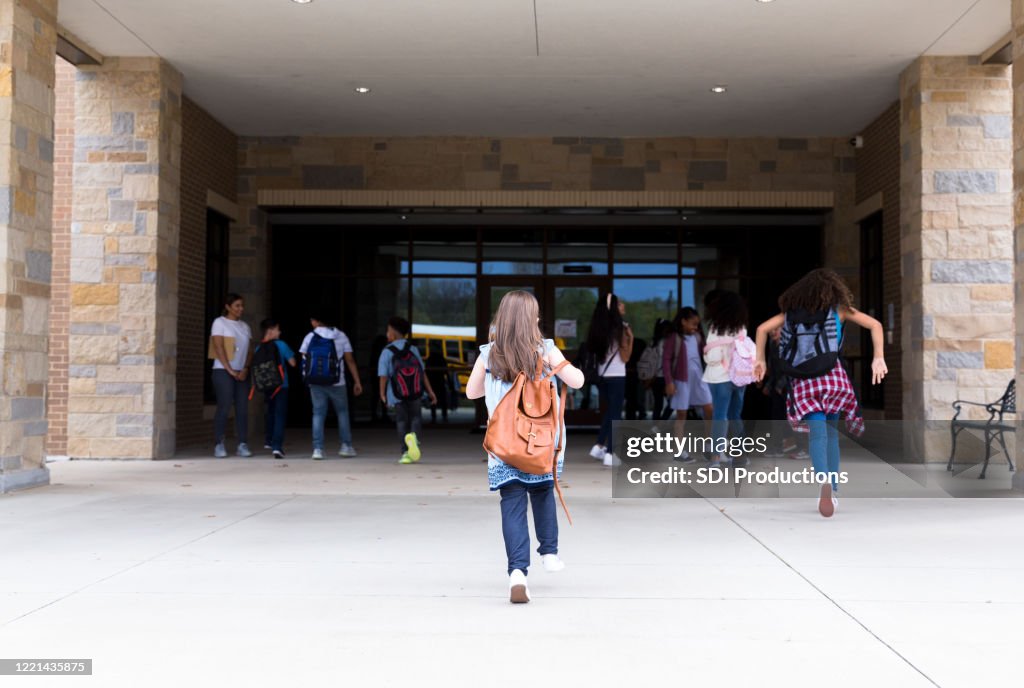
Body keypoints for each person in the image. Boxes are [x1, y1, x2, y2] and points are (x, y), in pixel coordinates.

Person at [465, 290, 585, 604]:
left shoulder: (488, 353)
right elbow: (578, 381)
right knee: (543, 491)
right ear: (531, 319)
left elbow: (471, 393)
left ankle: (517, 573)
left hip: (504, 445)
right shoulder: (545, 349)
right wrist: (553, 364)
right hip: (542, 443)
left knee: (512, 504)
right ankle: (549, 552)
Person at [753, 268, 887, 518]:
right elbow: (875, 325)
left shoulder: (791, 314)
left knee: (817, 433)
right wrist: (878, 357)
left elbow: (762, 329)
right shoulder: (839, 310)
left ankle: (822, 479)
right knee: (832, 435)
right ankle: (832, 490)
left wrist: (760, 360)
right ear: (833, 290)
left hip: (805, 380)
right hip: (833, 377)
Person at [299, 313, 364, 460]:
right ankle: (346, 446)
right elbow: (350, 360)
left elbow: (304, 357)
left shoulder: (310, 336)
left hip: (315, 382)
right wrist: (357, 381)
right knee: (342, 412)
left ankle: (318, 449)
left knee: (318, 414)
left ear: (316, 321)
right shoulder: (341, 336)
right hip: (337, 381)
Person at [377, 316, 438, 464]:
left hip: (397, 394)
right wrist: (430, 392)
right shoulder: (413, 349)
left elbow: (383, 376)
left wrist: (382, 393)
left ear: (393, 333)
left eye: (388, 331)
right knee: (416, 417)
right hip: (415, 392)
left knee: (401, 420)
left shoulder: (387, 351)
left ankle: (405, 452)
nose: (387, 334)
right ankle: (414, 440)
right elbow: (422, 373)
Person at [584, 293, 633, 467]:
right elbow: (626, 357)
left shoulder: (597, 328)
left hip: (602, 376)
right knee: (616, 414)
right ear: (613, 308)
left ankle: (598, 447)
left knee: (610, 412)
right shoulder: (620, 328)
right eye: (619, 303)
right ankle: (611, 453)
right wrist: (630, 336)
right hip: (617, 375)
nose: (623, 305)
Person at [702, 291, 749, 468]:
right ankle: (741, 456)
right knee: (735, 416)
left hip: (719, 377)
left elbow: (712, 356)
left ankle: (715, 458)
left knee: (719, 416)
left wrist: (708, 357)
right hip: (739, 377)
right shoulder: (742, 327)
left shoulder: (716, 327)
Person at [663, 307, 714, 462]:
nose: (695, 327)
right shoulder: (674, 338)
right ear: (683, 322)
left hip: (700, 379)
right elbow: (666, 360)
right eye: (693, 324)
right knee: (681, 415)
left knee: (710, 409)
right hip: (681, 381)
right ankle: (679, 452)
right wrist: (669, 381)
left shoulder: (698, 337)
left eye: (697, 324)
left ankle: (708, 445)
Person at [210, 293, 254, 458]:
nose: (240, 309)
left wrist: (245, 368)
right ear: (228, 307)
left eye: (242, 305)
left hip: (241, 372)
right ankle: (219, 444)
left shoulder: (245, 326)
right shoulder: (219, 322)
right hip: (223, 371)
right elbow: (218, 346)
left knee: (242, 408)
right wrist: (229, 369)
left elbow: (249, 350)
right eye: (237, 306)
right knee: (224, 405)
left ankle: (242, 444)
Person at [257, 319, 297, 459]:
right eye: (278, 329)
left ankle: (268, 440)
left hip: (267, 386)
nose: (280, 332)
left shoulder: (259, 348)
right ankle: (277, 447)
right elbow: (293, 363)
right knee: (280, 415)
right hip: (282, 385)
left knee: (271, 412)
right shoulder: (281, 345)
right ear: (271, 331)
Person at [425, 347, 454, 423]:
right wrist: (450, 382)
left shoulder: (429, 359)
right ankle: (444, 416)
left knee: (433, 399)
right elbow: (446, 371)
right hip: (440, 381)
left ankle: (434, 416)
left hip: (432, 382)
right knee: (443, 399)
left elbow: (426, 372)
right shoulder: (441, 359)